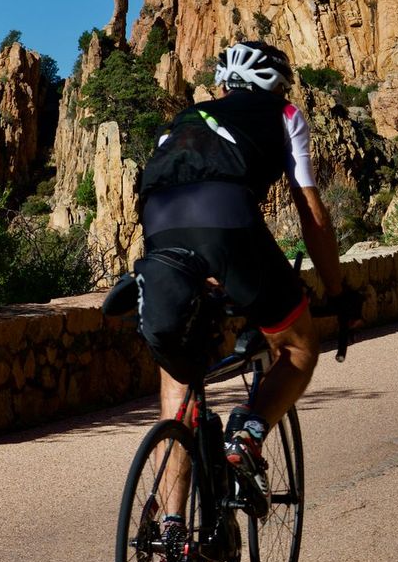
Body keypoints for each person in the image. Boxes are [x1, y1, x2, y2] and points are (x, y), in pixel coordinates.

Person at [133, 40, 357, 527]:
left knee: (179, 376)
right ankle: (248, 434)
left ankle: (172, 532)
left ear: (225, 83)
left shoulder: (185, 120)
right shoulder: (285, 114)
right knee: (298, 350)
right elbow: (311, 215)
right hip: (227, 220)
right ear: (277, 84)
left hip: (159, 225)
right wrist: (338, 292)